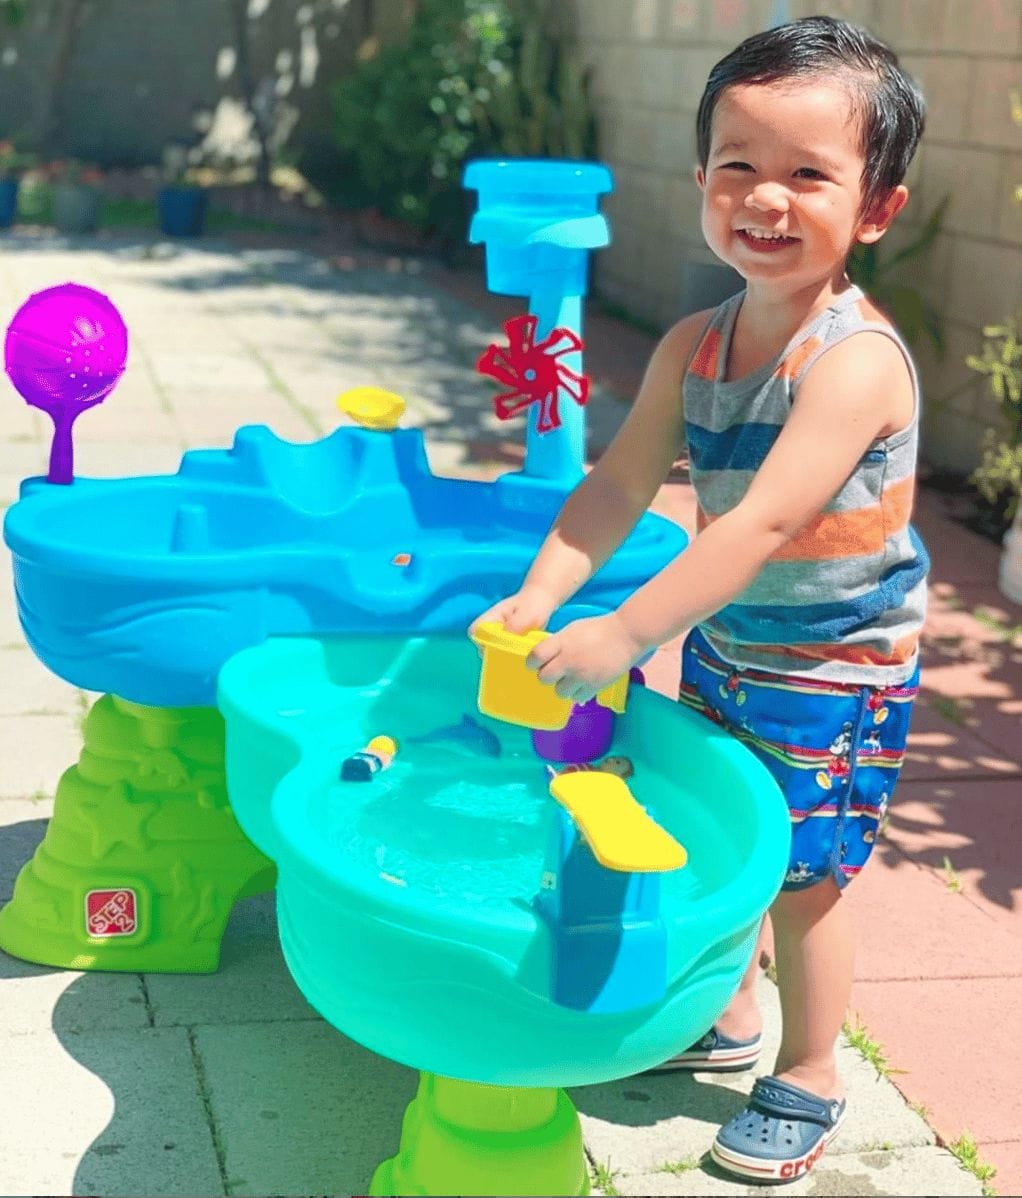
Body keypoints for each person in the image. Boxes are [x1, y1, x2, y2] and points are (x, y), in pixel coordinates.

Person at [470, 15, 928, 1185]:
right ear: (699, 181)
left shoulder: (852, 363)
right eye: (739, 166)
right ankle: (726, 1020)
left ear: (875, 208)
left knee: (804, 872)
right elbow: (620, 481)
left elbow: (768, 520)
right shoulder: (693, 344)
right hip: (733, 635)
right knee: (719, 813)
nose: (763, 199)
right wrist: (541, 594)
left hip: (836, 660)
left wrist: (624, 629)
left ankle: (811, 1069)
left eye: (806, 174)